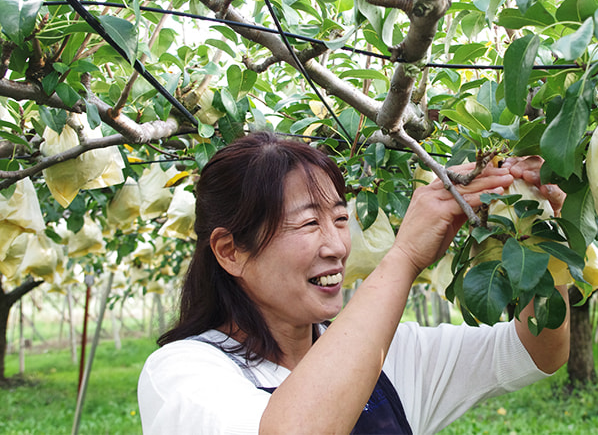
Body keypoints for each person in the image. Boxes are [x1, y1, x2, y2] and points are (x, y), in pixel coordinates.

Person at [138, 131, 569, 434]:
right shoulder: (183, 374)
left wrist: (537, 223)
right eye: (308, 223)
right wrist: (403, 259)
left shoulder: (390, 353)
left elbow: (535, 350)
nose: (336, 246)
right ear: (231, 251)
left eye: (341, 219)